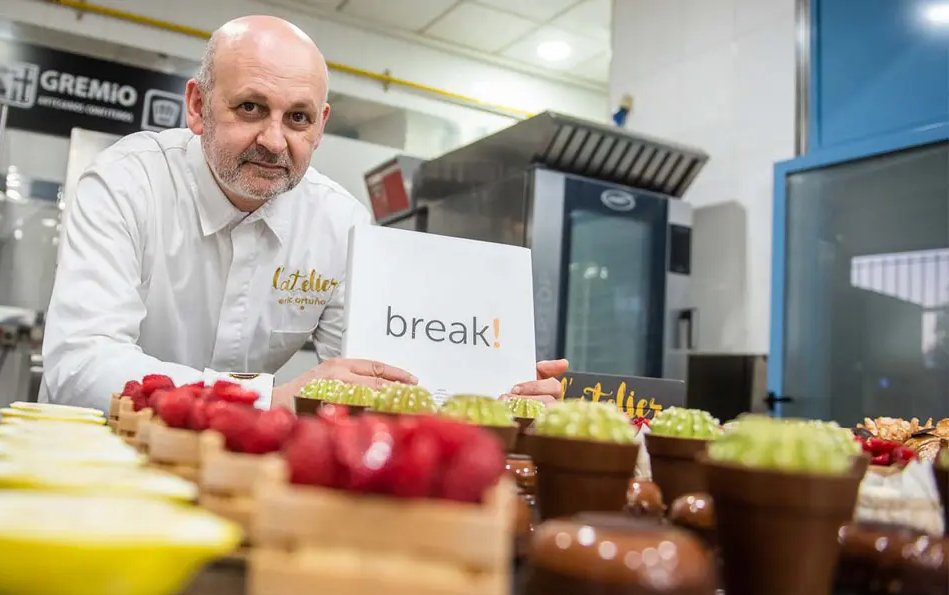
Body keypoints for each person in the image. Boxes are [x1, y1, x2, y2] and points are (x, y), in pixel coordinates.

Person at [41, 15, 568, 411]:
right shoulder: (127, 183)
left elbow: (379, 384)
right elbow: (80, 366)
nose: (274, 141)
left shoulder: (341, 227)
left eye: (298, 118)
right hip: (100, 462)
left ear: (320, 126)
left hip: (233, 480)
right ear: (199, 106)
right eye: (250, 107)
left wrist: (498, 397)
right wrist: (270, 398)